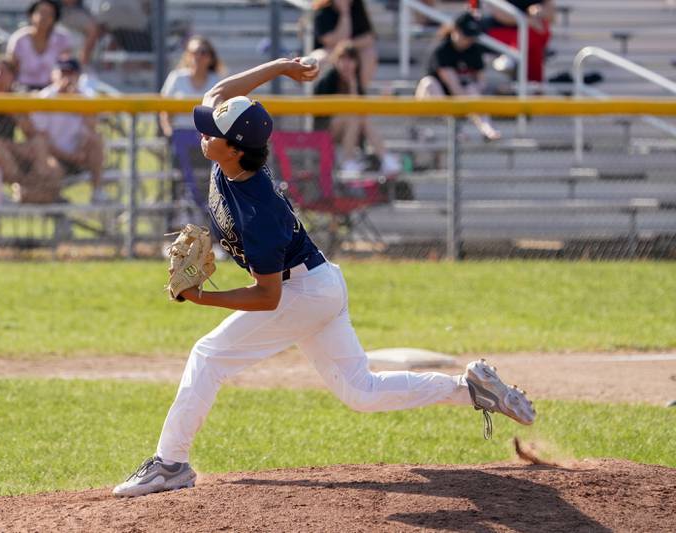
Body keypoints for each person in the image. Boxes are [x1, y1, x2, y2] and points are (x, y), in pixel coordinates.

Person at [111, 57, 536, 498]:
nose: (203, 133)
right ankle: (471, 390)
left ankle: (170, 463)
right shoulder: (233, 153)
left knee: (209, 355)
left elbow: (268, 297)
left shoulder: (259, 212)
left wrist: (202, 298)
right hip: (320, 283)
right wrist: (280, 67)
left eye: (211, 133)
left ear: (236, 148)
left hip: (301, 292)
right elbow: (218, 91)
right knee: (362, 392)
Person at [0, 56, 63, 204]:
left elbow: (31, 133)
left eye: (2, 72)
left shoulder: (14, 97)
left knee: (42, 147)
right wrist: (10, 146)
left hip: (11, 148)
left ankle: (40, 186)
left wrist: (14, 112)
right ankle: (27, 187)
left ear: (12, 77)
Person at [314, 41, 401, 173]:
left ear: (356, 63)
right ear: (336, 61)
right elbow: (322, 114)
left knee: (361, 118)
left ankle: (385, 158)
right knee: (353, 117)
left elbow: (360, 110)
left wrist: (353, 85)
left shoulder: (356, 82)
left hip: (350, 130)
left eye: (350, 59)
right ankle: (347, 162)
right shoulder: (328, 79)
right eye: (342, 59)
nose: (346, 64)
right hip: (325, 130)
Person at [160, 36, 224, 211]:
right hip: (181, 134)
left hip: (206, 136)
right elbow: (164, 109)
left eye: (203, 52)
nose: (199, 56)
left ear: (210, 57)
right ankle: (179, 213)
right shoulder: (176, 78)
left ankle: (211, 211)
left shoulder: (215, 80)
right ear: (188, 56)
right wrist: (168, 131)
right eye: (194, 52)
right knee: (180, 173)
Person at [415, 12, 501, 141]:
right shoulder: (442, 50)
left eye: (471, 36)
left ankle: (487, 129)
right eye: (465, 35)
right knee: (429, 83)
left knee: (472, 88)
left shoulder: (474, 49)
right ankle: (454, 129)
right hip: (434, 100)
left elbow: (481, 81)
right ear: (454, 30)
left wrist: (474, 89)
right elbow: (453, 85)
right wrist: (468, 102)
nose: (468, 40)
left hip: (459, 100)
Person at [30, 58, 106, 203]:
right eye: (62, 73)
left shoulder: (86, 95)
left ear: (78, 76)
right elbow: (41, 138)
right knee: (52, 168)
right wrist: (68, 156)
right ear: (53, 75)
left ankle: (97, 192)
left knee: (96, 139)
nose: (66, 78)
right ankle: (56, 200)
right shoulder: (45, 98)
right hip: (54, 157)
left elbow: (93, 126)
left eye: (70, 73)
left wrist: (77, 100)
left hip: (81, 156)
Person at [476, 0, 555, 83]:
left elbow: (551, 16)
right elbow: (499, 13)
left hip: (528, 35)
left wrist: (539, 12)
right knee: (533, 38)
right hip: (498, 31)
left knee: (537, 33)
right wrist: (527, 20)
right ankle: (536, 86)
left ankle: (513, 56)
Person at [6, 0, 73, 91]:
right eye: (41, 12)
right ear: (31, 15)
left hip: (53, 91)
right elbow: (10, 70)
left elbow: (66, 68)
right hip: (22, 91)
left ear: (55, 19)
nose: (44, 17)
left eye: (49, 14)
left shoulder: (62, 39)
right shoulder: (19, 39)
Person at [313, 0, 379, 89]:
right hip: (329, 52)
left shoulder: (357, 8)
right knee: (320, 59)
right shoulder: (322, 11)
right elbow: (331, 41)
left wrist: (350, 44)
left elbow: (369, 37)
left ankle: (359, 92)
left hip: (351, 51)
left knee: (369, 53)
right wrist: (344, 14)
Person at [59, 0, 101, 67]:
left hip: (76, 61)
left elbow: (93, 30)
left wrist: (83, 58)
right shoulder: (50, 8)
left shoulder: (84, 12)